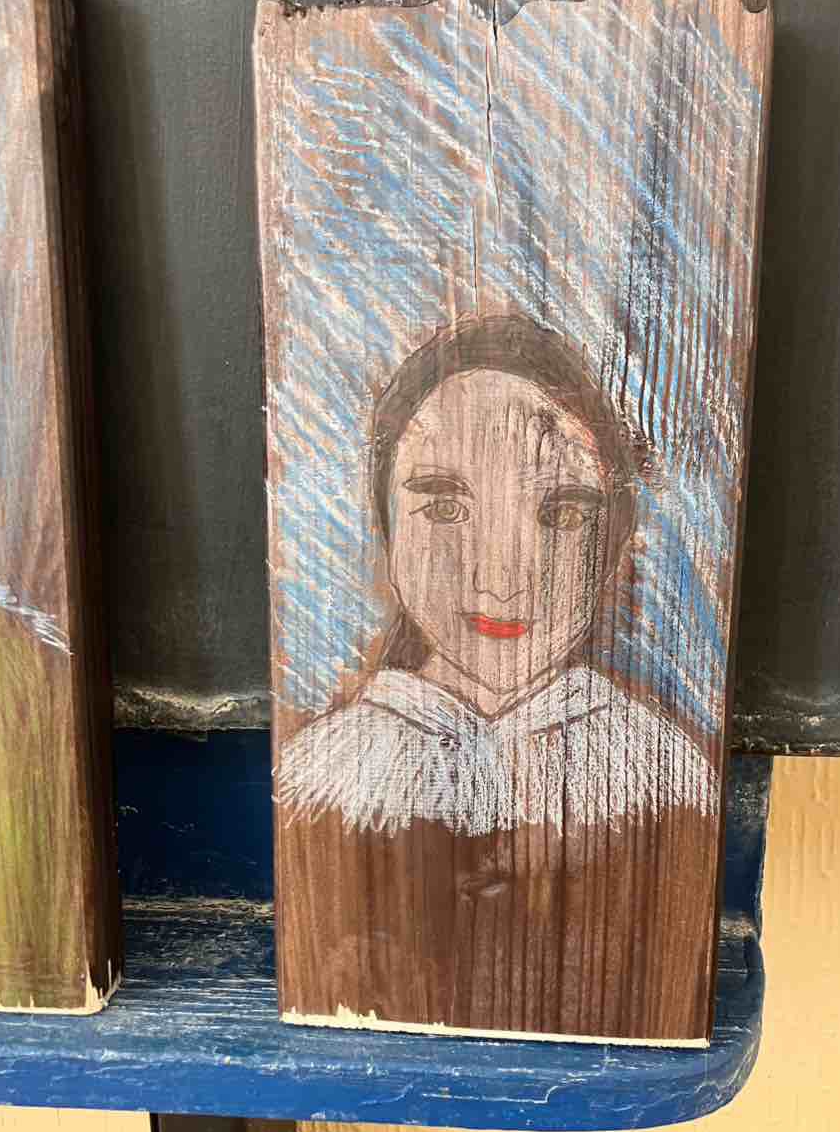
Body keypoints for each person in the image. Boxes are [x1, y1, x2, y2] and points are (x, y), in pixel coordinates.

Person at [278, 313, 717, 838]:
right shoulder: (317, 777)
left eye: (563, 515)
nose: (502, 583)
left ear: (611, 541)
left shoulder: (666, 775)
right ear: (388, 528)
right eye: (445, 510)